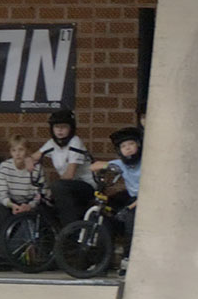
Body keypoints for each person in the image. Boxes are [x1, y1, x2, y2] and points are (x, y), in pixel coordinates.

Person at [0, 135, 47, 271]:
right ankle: (0, 258)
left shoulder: (36, 168)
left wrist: (30, 205)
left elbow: (40, 192)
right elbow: (1, 192)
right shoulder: (5, 167)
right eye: (14, 150)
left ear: (27, 151)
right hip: (9, 202)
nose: (18, 154)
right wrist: (11, 205)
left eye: (21, 150)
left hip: (28, 202)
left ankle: (29, 257)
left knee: (37, 215)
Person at [91, 126, 142, 276]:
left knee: (131, 219)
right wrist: (110, 166)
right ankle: (102, 262)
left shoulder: (146, 162)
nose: (128, 149)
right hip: (132, 198)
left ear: (138, 145)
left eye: (131, 144)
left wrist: (128, 208)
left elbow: (148, 193)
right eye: (123, 146)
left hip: (146, 199)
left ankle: (127, 259)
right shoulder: (121, 163)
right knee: (105, 216)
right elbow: (93, 166)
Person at [30, 109, 95, 226]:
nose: (59, 130)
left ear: (71, 128)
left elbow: (69, 175)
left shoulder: (75, 142)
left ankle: (70, 231)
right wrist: (29, 162)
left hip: (86, 185)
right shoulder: (52, 143)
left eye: (64, 127)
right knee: (43, 202)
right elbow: (33, 157)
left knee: (57, 187)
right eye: (56, 127)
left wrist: (51, 190)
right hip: (67, 187)